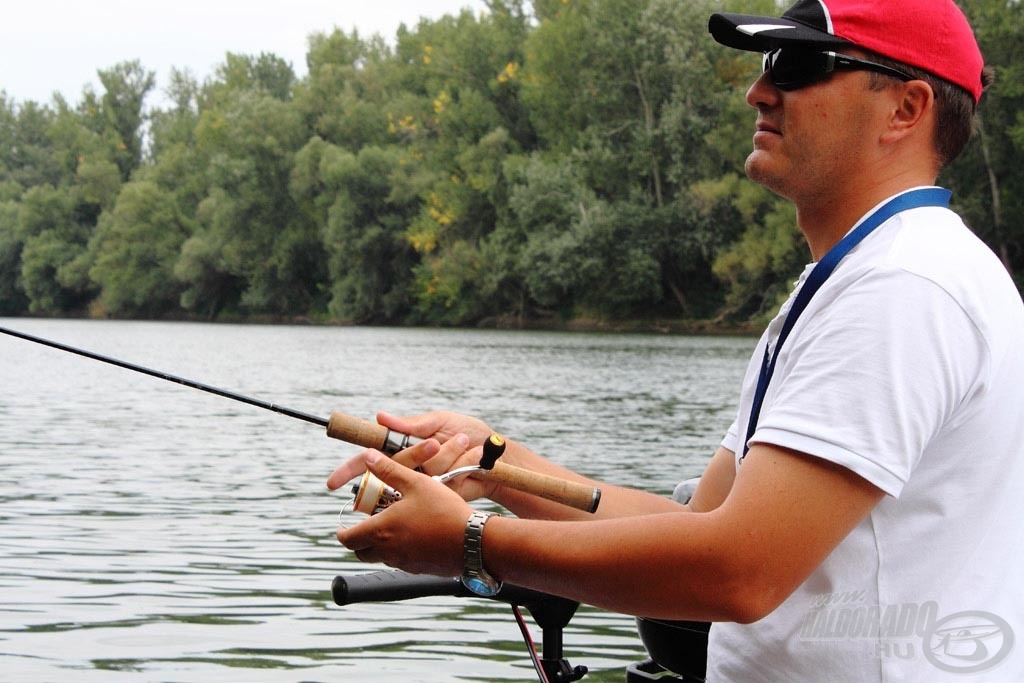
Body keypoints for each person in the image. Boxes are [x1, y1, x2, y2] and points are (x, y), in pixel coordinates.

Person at [328, 0, 1023, 679]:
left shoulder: (905, 288)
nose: (759, 91)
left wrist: (473, 543)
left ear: (907, 108)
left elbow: (738, 567)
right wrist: (497, 463)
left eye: (797, 64)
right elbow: (700, 520)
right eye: (764, 66)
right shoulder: (864, 278)